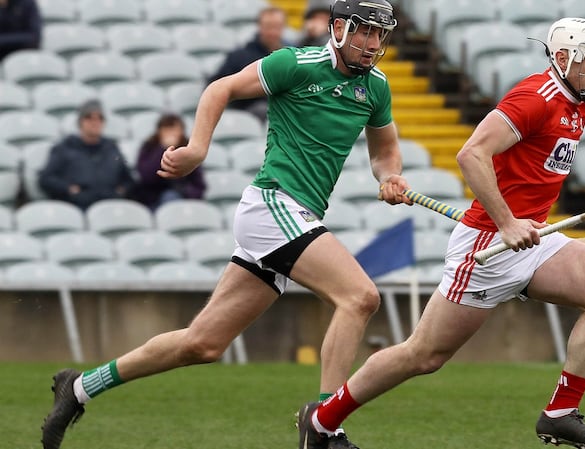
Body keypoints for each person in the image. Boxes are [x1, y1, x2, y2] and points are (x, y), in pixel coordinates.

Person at [41, 1, 404, 449]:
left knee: (202, 345)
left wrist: (389, 177)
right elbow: (220, 89)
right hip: (272, 205)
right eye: (363, 32)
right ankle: (325, 424)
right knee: (360, 296)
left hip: (295, 216)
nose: (371, 45)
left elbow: (384, 151)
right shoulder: (294, 63)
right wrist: (196, 149)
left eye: (379, 35)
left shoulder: (377, 87)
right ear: (339, 29)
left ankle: (78, 388)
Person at [297, 17, 585, 449]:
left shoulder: (577, 103)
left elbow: (529, 179)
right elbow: (471, 153)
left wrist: (552, 240)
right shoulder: (537, 97)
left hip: (532, 238)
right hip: (488, 246)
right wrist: (508, 222)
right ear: (563, 58)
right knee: (423, 355)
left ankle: (560, 414)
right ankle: (323, 420)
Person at [38, 100, 135, 210]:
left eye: (100, 118)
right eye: (89, 117)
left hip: (111, 206)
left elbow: (129, 179)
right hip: (77, 207)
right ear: (80, 122)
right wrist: (68, 189)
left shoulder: (112, 148)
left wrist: (120, 191)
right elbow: (46, 179)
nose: (95, 122)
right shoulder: (64, 148)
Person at [208, 6, 289, 116]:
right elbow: (217, 85)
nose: (273, 32)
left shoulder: (290, 56)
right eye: (268, 27)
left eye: (277, 27)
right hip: (249, 113)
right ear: (259, 27)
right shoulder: (239, 56)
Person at [132, 113, 206, 210]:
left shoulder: (189, 150)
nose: (171, 134)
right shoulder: (149, 148)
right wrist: (162, 149)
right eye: (167, 130)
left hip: (183, 199)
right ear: (159, 132)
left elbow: (198, 185)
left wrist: (184, 191)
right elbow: (146, 176)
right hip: (152, 200)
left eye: (174, 130)